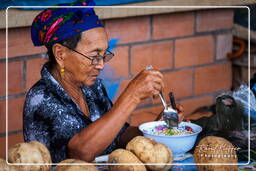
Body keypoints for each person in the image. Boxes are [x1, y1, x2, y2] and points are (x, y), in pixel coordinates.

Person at [23, 0, 184, 163]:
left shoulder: (92, 87)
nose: (101, 65)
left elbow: (119, 133)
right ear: (60, 54)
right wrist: (132, 96)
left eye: (103, 54)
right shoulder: (41, 99)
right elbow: (80, 153)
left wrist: (156, 129)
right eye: (94, 56)